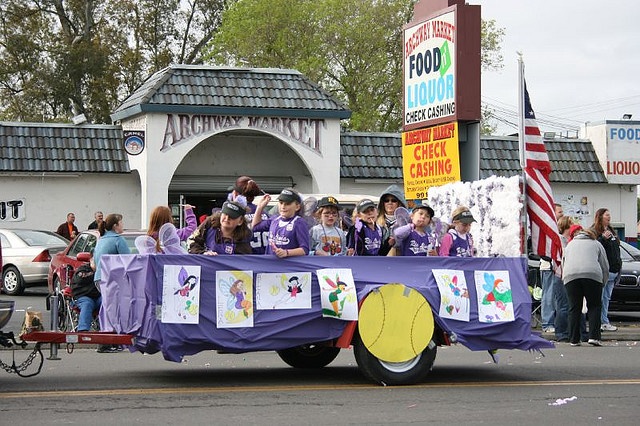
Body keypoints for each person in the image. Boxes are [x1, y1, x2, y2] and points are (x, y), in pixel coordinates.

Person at [562, 225, 609, 346]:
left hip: (571, 276)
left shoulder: (570, 245)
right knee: (594, 306)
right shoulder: (596, 244)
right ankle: (594, 337)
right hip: (592, 276)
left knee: (574, 308)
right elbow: (604, 265)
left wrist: (565, 279)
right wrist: (603, 281)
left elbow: (563, 262)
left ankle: (574, 339)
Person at [92, 213, 130, 353]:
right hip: (112, 278)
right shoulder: (117, 240)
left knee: (107, 308)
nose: (123, 226)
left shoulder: (101, 240)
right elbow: (128, 261)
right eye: (121, 222)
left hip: (99, 277)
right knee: (112, 310)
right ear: (115, 226)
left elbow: (95, 261)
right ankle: (107, 341)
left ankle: (109, 339)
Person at [252, 188, 309, 258]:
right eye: (281, 203)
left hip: (289, 266)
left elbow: (305, 249)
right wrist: (260, 207)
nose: (283, 207)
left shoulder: (299, 222)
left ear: (297, 207)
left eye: (287, 204)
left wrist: (287, 252)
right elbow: (255, 227)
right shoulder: (275, 219)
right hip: (270, 264)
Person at [591, 208, 622, 332]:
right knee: (600, 297)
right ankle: (599, 321)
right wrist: (602, 239)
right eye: (606, 215)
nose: (609, 217)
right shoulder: (595, 231)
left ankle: (604, 321)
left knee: (606, 298)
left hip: (614, 270)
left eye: (609, 215)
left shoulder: (611, 231)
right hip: (603, 270)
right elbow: (593, 247)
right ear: (600, 217)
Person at [539, 202, 566, 333]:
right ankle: (547, 323)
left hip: (559, 267)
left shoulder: (559, 230)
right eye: (560, 212)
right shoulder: (547, 228)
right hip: (548, 266)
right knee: (548, 295)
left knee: (558, 297)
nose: (562, 214)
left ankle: (557, 323)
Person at [230, 176, 269, 254]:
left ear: (235, 193)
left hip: (245, 261)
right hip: (265, 260)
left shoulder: (234, 216)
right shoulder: (265, 214)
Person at [70, 256, 100, 332]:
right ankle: (83, 329)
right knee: (87, 304)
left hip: (99, 296)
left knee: (108, 302)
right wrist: (97, 272)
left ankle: (109, 328)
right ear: (91, 260)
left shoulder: (106, 268)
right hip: (84, 296)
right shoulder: (83, 270)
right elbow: (81, 278)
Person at [376, 185, 407, 256]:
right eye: (386, 200)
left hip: (401, 260)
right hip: (381, 261)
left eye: (394, 200)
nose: (390, 203)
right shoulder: (375, 223)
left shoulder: (406, 223)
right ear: (382, 203)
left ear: (399, 203)